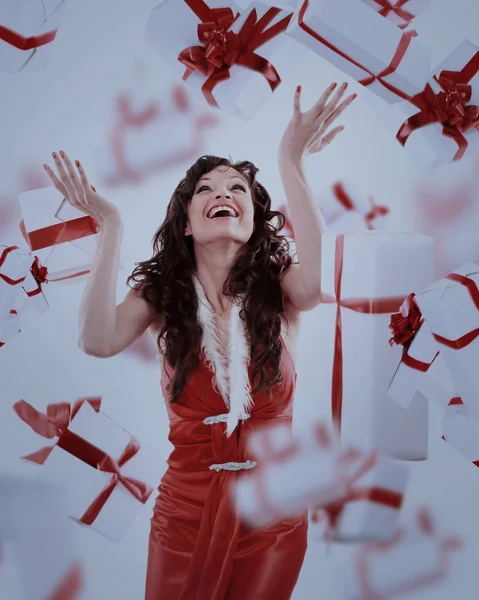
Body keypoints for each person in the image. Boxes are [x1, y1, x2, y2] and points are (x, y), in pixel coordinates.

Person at [43, 82, 356, 600]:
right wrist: (111, 222)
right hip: (184, 511)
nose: (223, 195)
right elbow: (96, 340)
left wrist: (290, 159)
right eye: (206, 189)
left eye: (237, 189)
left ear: (255, 222)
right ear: (186, 223)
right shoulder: (160, 297)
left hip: (273, 513)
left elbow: (321, 282)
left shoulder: (280, 286)